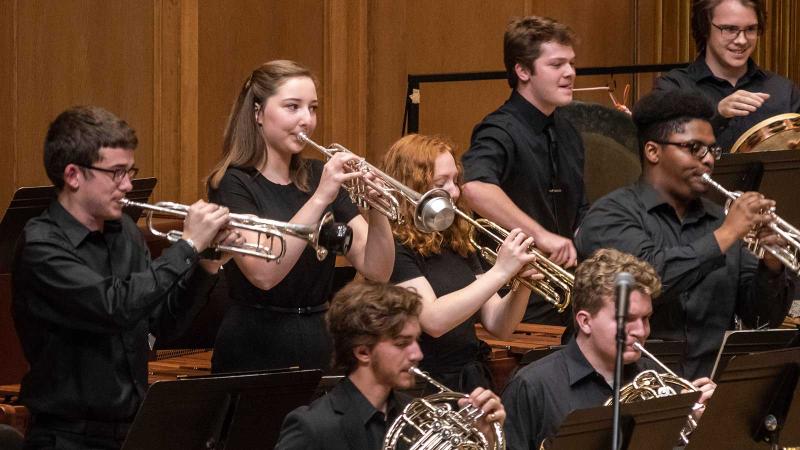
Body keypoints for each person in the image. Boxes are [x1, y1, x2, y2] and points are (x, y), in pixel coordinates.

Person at [12, 105, 236, 450]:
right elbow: (113, 307)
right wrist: (190, 245)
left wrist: (207, 263)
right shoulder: (41, 244)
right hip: (67, 437)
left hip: (132, 431)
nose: (128, 185)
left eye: (130, 171)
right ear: (73, 175)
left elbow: (164, 325)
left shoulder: (126, 233)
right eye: (117, 173)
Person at [575, 90, 795, 380]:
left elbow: (762, 318)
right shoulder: (610, 215)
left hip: (708, 385)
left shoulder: (718, 219)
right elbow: (649, 280)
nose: (708, 160)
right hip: (631, 386)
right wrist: (726, 234)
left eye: (711, 150)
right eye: (694, 148)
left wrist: (771, 264)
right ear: (653, 151)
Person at [206, 60, 394, 374]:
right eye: (293, 107)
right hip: (255, 345)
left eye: (313, 108)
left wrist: (377, 210)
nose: (307, 120)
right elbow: (263, 274)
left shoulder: (319, 174)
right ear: (258, 113)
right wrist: (321, 197)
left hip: (319, 339)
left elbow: (377, 270)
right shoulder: (232, 183)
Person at [502, 248, 717, 449]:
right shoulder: (532, 387)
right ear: (585, 322)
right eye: (627, 319)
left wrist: (705, 425)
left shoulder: (657, 379)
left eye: (646, 318)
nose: (641, 331)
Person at [381, 133, 539, 393]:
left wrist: (521, 284)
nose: (454, 192)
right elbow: (433, 321)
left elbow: (500, 325)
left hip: (469, 379)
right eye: (441, 182)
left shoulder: (456, 238)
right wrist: (500, 271)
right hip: (421, 384)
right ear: (413, 185)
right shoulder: (394, 246)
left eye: (456, 180)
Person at [461, 16, 589, 326]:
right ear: (522, 70)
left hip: (565, 299)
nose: (570, 73)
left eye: (571, 63)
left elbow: (579, 212)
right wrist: (542, 236)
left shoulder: (568, 132)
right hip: (515, 304)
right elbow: (475, 187)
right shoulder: (498, 130)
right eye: (557, 64)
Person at [274, 279, 506, 450]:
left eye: (416, 341)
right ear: (363, 352)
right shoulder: (313, 427)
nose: (417, 354)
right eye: (402, 343)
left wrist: (484, 436)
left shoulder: (420, 417)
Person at [654, 0, 800, 152]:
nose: (741, 40)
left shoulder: (784, 91)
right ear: (704, 28)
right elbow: (663, 148)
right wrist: (718, 114)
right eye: (730, 29)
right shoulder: (674, 86)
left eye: (750, 29)